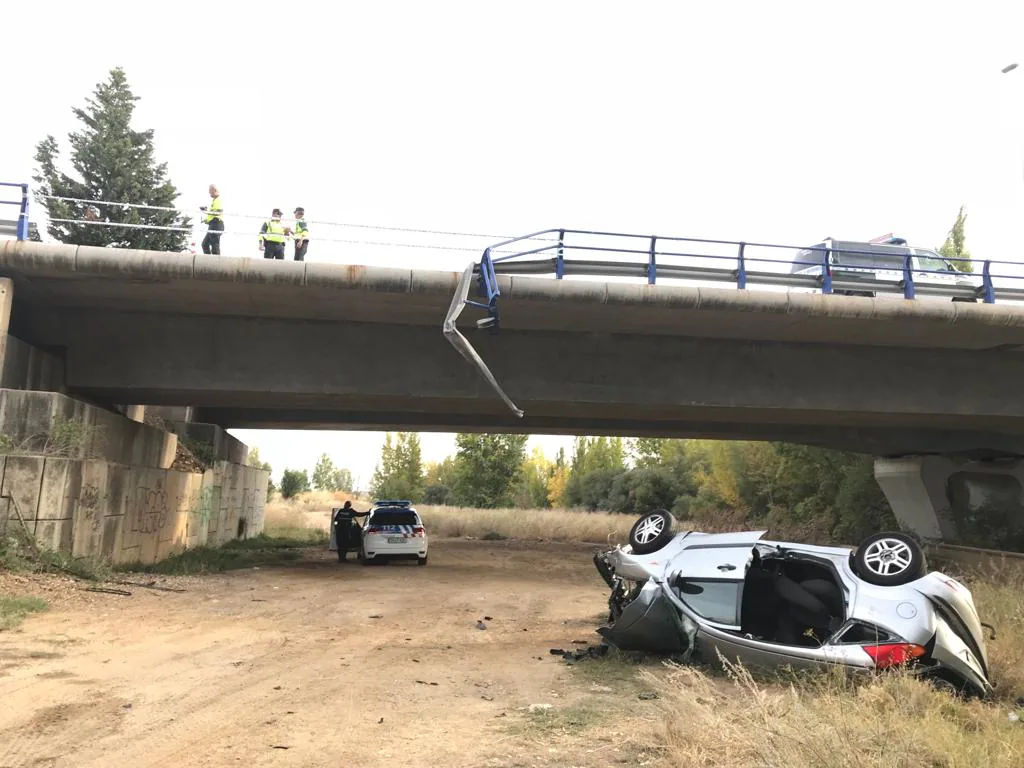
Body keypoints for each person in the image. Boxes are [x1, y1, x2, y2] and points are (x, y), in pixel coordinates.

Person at [199, 185, 224, 255]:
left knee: (214, 244)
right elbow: (213, 214)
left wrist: (206, 211)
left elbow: (218, 212)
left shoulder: (218, 200)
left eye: (210, 191)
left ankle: (216, 263)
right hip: (213, 224)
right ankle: (209, 261)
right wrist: (206, 220)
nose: (209, 192)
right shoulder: (215, 201)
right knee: (205, 244)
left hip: (216, 224)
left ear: (214, 191)